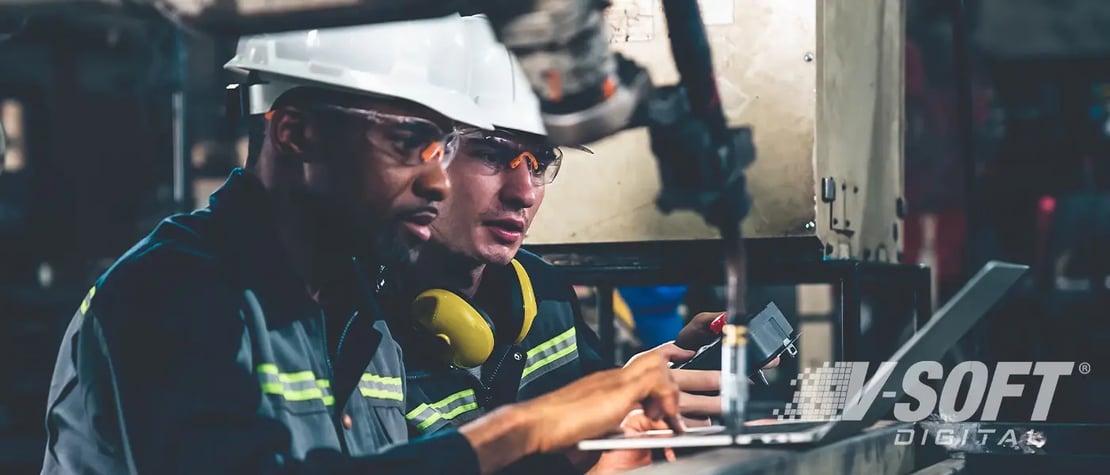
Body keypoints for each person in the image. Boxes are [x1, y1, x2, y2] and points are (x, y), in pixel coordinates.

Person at [40, 16, 682, 475]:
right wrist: (522, 428)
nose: (436, 180)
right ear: (296, 133)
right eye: (409, 144)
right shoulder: (171, 295)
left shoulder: (356, 305)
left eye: (444, 148)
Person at [380, 15, 763, 472]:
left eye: (539, 162)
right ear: (425, 156)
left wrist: (633, 384)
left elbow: (589, 428)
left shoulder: (543, 291)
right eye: (491, 153)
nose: (523, 192)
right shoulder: (359, 326)